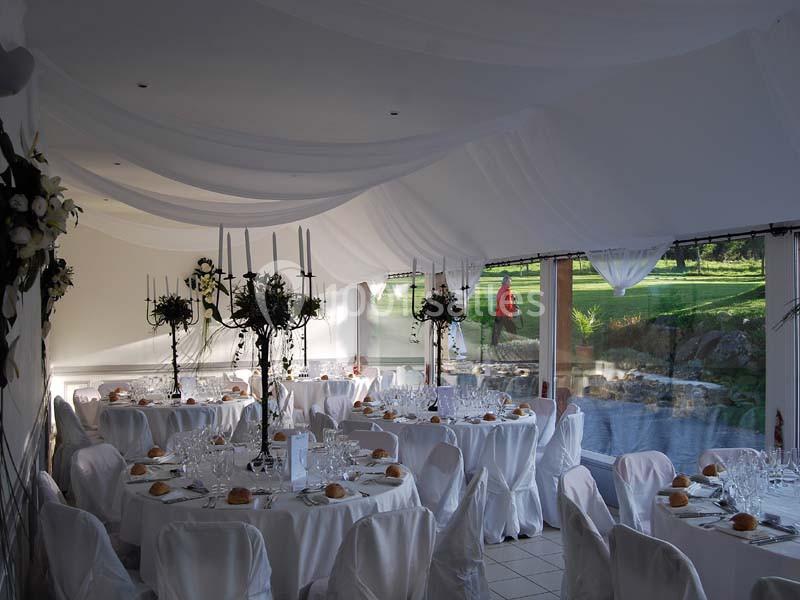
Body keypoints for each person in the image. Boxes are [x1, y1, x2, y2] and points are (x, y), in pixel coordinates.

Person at [491, 275, 518, 345]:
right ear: (506, 282)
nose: (510, 284)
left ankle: (493, 346)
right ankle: (513, 346)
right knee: (512, 332)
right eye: (509, 282)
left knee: (496, 333)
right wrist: (514, 311)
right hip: (506, 315)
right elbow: (508, 305)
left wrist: (512, 297)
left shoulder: (500, 290)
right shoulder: (507, 291)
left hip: (499, 314)